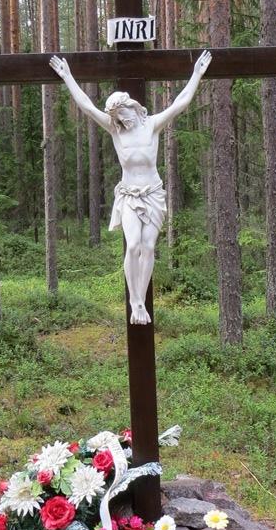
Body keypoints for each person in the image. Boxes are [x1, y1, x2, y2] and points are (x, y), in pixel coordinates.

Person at [49, 50, 212, 325]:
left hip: (153, 194)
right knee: (133, 244)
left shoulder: (152, 125)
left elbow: (180, 103)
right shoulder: (115, 130)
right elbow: (87, 106)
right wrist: (68, 77)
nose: (121, 120)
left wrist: (196, 74)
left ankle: (141, 299)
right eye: (116, 117)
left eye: (122, 114)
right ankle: (134, 301)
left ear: (131, 107)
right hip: (128, 195)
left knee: (148, 247)